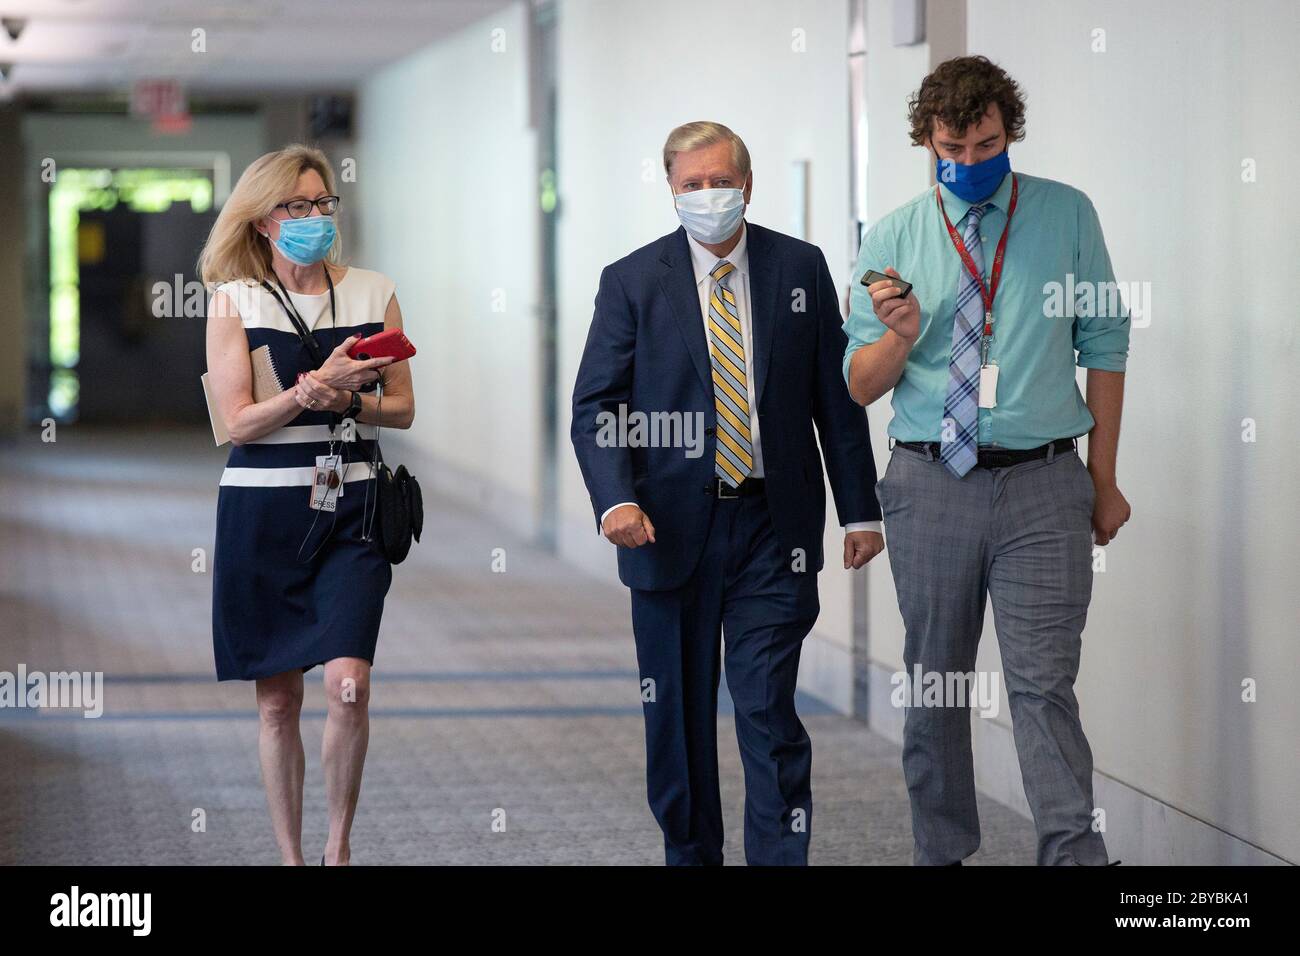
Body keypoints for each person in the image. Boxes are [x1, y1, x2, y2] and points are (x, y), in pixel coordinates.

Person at [572, 121, 884, 865]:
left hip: (774, 532)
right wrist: (616, 499)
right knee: (675, 720)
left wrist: (860, 509)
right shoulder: (632, 280)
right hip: (666, 530)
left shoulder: (798, 268)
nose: (708, 195)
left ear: (749, 185)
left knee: (769, 708)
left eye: (722, 181)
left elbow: (833, 403)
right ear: (671, 189)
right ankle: (692, 854)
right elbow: (599, 405)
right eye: (692, 184)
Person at [844, 56, 1131, 865]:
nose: (970, 163)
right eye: (952, 149)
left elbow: (1105, 348)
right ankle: (942, 855)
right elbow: (860, 384)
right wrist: (899, 335)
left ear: (1009, 132)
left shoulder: (1066, 215)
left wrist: (1103, 480)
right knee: (936, 686)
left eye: (986, 144)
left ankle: (1074, 858)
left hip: (1044, 483)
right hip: (929, 480)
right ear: (927, 140)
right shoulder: (894, 234)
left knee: (1044, 688)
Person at [199, 144, 415, 865]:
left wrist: (348, 394)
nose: (313, 218)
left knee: (348, 684)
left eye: (322, 204)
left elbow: (404, 410)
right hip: (262, 516)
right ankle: (290, 856)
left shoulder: (372, 291)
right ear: (262, 220)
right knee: (278, 702)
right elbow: (236, 422)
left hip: (350, 514)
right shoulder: (236, 302)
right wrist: (304, 392)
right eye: (296, 206)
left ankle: (337, 848)